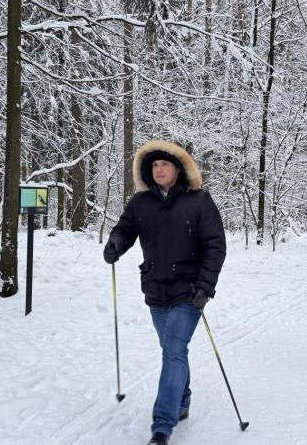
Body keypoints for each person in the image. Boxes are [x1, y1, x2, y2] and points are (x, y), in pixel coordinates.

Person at [104, 140, 226, 445]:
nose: (159, 170)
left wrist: (205, 287)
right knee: (172, 350)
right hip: (156, 290)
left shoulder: (199, 201)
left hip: (189, 291)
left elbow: (215, 246)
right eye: (155, 165)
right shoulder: (140, 202)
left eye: (165, 165)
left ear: (178, 169)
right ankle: (182, 398)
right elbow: (125, 229)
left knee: (173, 349)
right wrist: (116, 243)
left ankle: (162, 427)